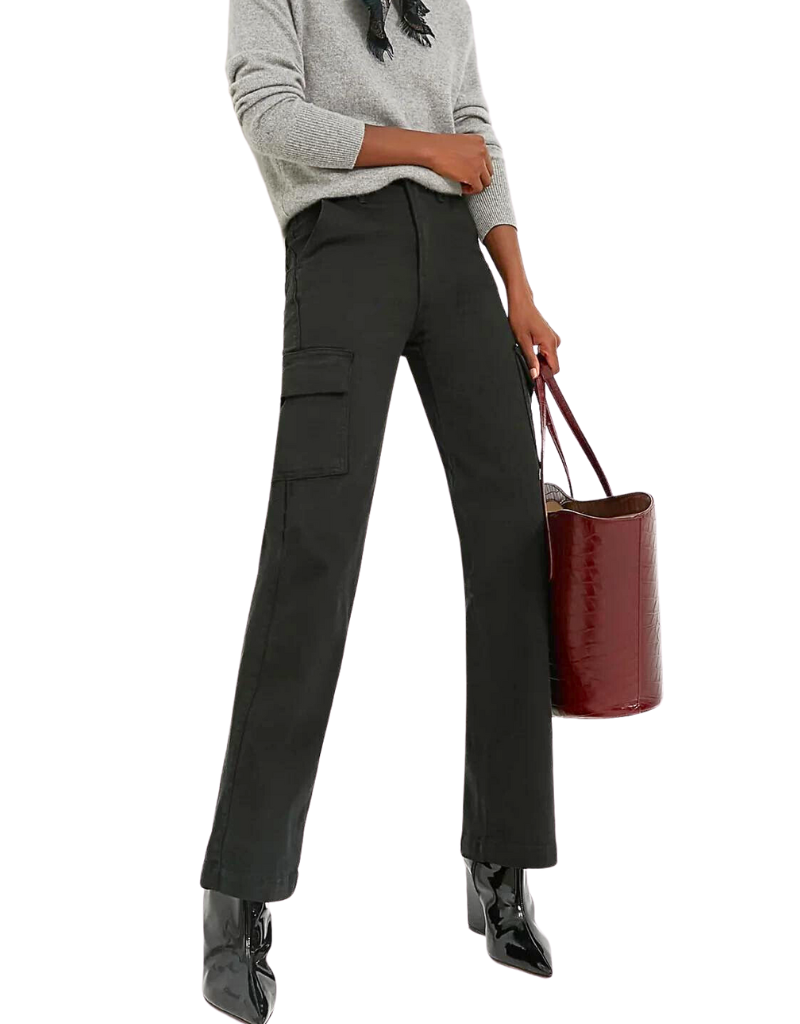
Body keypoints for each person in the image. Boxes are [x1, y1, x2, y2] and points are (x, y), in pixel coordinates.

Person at [201, 2, 562, 1019]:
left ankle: (500, 862)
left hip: (456, 259)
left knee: (514, 548)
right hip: (340, 245)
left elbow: (473, 124)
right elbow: (267, 111)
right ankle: (237, 894)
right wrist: (421, 149)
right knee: (311, 556)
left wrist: (518, 285)